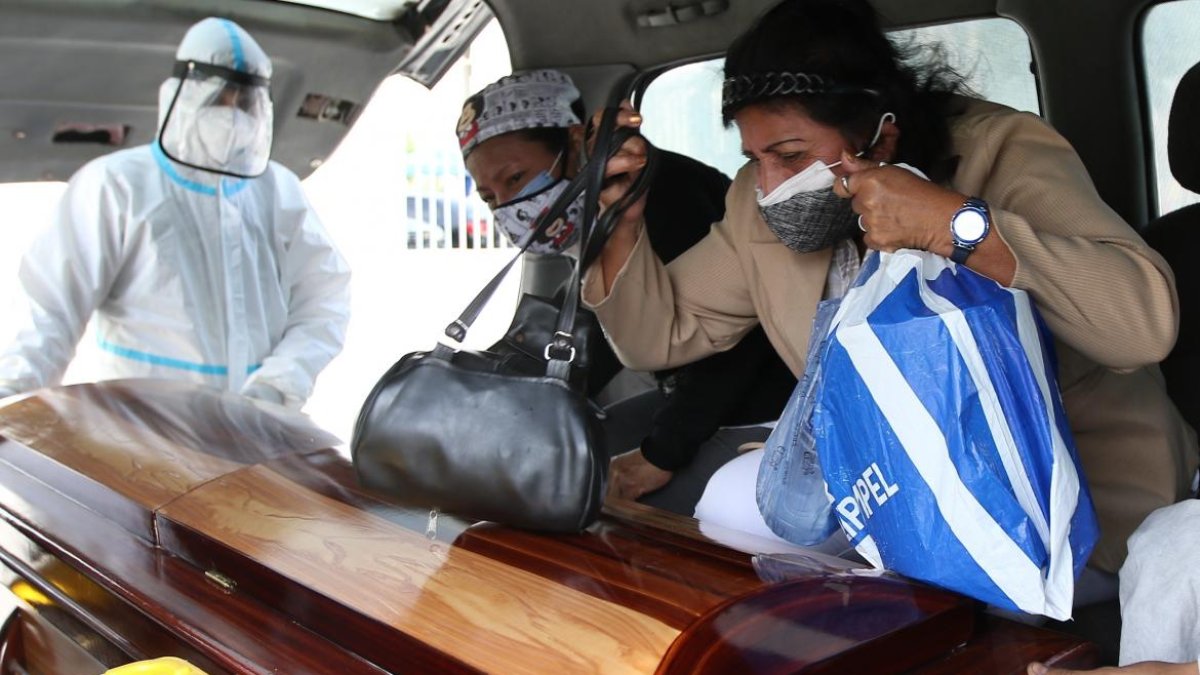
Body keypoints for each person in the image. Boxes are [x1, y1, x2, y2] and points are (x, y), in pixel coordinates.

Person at [582, 0, 1198, 578]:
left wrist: (954, 226)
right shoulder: (757, 202)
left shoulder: (1001, 152)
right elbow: (658, 337)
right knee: (735, 509)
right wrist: (620, 225)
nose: (768, 183)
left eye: (791, 155)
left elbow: (1141, 325)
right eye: (754, 156)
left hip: (1061, 494)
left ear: (883, 135)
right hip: (888, 485)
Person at [457, 69, 796, 511]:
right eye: (489, 196)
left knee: (605, 503)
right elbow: (592, 332)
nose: (507, 204)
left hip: (760, 407)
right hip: (689, 400)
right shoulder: (594, 214)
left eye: (516, 178)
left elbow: (737, 344)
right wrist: (497, 401)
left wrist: (659, 455)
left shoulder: (668, 192)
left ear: (577, 143)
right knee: (571, 455)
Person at [0, 17, 350, 409]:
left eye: (245, 102)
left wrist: (279, 383)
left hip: (256, 425)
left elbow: (324, 299)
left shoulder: (277, 191)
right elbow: (51, 307)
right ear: (182, 95)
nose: (232, 113)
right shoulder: (117, 186)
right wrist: (14, 395)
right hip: (143, 432)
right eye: (220, 98)